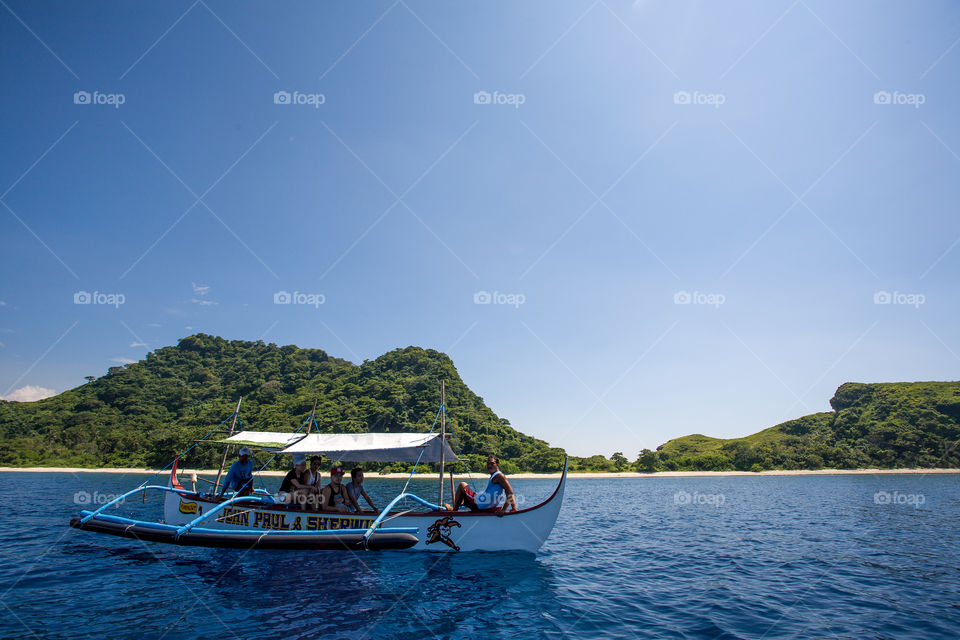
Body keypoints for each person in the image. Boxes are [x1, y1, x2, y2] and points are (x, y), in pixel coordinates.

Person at [451, 455, 517, 516]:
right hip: (484, 505)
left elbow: (510, 492)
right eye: (488, 463)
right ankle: (457, 505)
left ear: (497, 464)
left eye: (492, 463)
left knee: (462, 484)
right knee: (464, 498)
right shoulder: (496, 475)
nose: (489, 465)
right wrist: (514, 508)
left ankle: (454, 512)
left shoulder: (499, 476)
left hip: (480, 505)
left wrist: (503, 510)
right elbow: (509, 492)